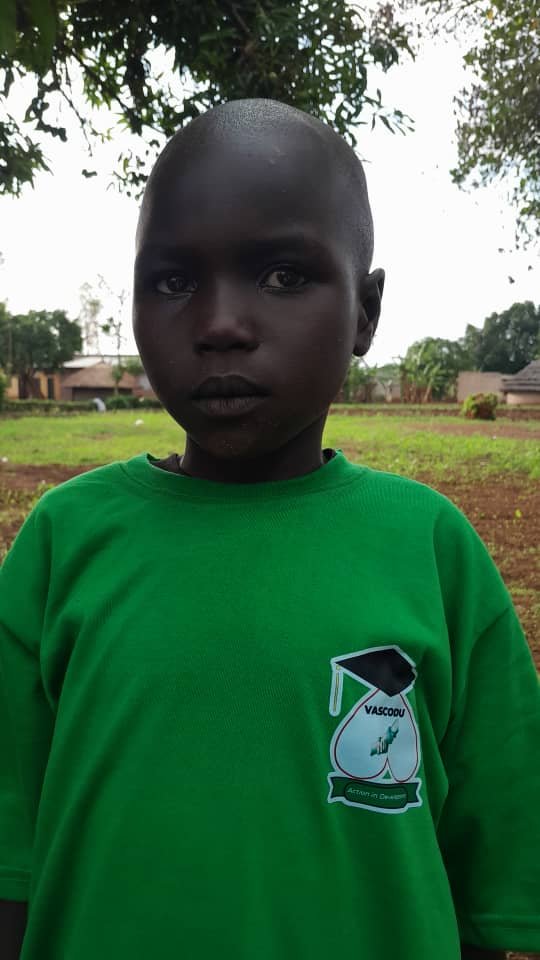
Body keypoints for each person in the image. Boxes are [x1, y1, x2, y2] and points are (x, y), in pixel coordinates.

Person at [0, 99, 538, 960]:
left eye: (284, 275)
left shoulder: (434, 553)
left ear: (365, 312)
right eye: (173, 281)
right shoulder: (62, 545)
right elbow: (11, 876)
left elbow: (491, 893)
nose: (219, 324)